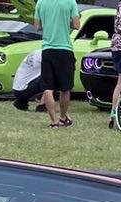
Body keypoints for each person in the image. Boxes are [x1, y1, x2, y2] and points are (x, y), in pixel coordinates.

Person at [34, 0, 78, 128]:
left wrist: (49, 24)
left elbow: (37, 26)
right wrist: (66, 23)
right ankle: (63, 117)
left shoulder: (41, 2)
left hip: (47, 49)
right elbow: (76, 25)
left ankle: (53, 121)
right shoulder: (70, 2)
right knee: (65, 88)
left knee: (48, 87)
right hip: (65, 49)